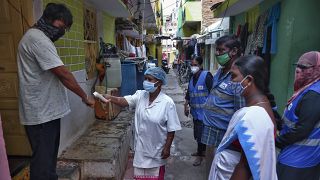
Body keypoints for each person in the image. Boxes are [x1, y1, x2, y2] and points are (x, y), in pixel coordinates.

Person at [17, 3, 95, 179]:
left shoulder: (38, 37)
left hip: (47, 112)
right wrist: (85, 97)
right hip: (41, 113)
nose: (61, 32)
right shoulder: (37, 39)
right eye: (60, 27)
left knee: (48, 160)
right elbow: (63, 74)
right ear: (49, 20)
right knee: (43, 164)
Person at [103, 67, 181, 180]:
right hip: (140, 151)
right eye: (145, 79)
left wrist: (167, 147)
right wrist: (110, 98)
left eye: (149, 79)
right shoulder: (140, 95)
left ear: (158, 83)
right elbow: (124, 101)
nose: (146, 82)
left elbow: (171, 128)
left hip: (157, 151)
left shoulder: (167, 103)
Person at [209, 55, 278, 180]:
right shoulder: (258, 107)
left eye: (233, 76)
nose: (230, 81)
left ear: (249, 80)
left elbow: (245, 166)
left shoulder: (254, 116)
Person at [202, 35, 244, 178]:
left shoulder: (238, 77)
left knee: (222, 170)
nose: (217, 53)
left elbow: (241, 112)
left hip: (224, 133)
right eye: (216, 50)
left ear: (233, 51)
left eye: (221, 50)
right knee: (211, 169)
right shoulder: (221, 71)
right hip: (211, 130)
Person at [276, 51, 320, 180]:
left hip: (300, 159)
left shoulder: (314, 94)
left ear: (317, 69)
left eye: (304, 67)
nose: (298, 70)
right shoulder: (306, 88)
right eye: (298, 66)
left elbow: (303, 129)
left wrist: (278, 141)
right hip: (293, 152)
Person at [184, 56, 213, 166]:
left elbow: (213, 92)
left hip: (205, 112)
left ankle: (201, 156)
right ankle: (200, 151)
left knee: (201, 135)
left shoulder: (207, 76)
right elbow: (189, 92)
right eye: (192, 65)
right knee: (197, 134)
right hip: (195, 112)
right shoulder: (192, 78)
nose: (193, 67)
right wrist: (185, 105)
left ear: (200, 65)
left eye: (195, 65)